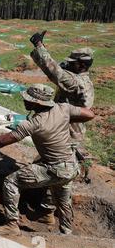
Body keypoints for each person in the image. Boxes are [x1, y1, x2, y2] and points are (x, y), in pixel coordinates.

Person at [0, 84, 95, 236]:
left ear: (37, 103)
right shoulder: (63, 109)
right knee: (63, 200)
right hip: (72, 166)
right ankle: (65, 232)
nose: (24, 101)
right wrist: (67, 119)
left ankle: (11, 224)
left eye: (27, 99)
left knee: (11, 182)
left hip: (55, 168)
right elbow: (90, 114)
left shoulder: (33, 124)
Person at [29, 31, 95, 223]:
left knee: (55, 169)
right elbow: (60, 70)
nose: (68, 64)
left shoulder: (75, 82)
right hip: (70, 132)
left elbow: (54, 71)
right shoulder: (81, 79)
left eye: (73, 63)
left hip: (66, 133)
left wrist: (39, 46)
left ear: (81, 65)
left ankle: (46, 211)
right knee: (54, 166)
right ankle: (53, 210)